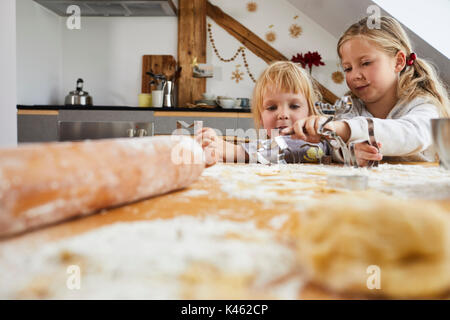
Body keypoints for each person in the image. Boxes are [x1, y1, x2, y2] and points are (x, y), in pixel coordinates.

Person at [283, 16, 449, 166]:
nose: (355, 75)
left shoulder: (425, 105)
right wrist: (349, 153)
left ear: (398, 62)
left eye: (366, 63)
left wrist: (345, 130)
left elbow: (412, 135)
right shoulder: (351, 109)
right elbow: (334, 148)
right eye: (347, 68)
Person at [195, 61, 330, 166]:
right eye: (272, 108)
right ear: (260, 117)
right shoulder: (262, 147)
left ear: (310, 112)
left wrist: (236, 151)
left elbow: (294, 147)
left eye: (294, 106)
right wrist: (215, 151)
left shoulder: (316, 142)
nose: (283, 114)